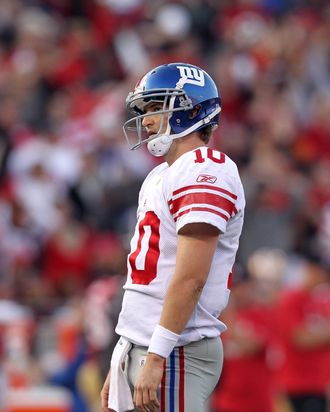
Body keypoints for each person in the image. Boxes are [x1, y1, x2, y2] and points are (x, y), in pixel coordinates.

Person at [100, 62, 245, 412]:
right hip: (145, 344)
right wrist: (122, 354)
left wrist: (155, 355)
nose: (147, 120)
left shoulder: (206, 168)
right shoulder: (161, 176)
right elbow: (149, 278)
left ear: (189, 108)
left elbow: (191, 278)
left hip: (175, 348)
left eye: (155, 108)